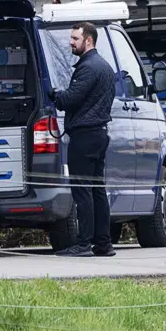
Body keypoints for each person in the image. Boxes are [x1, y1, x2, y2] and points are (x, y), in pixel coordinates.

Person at [50, 21, 115, 257]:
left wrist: (55, 95)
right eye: (71, 38)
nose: (71, 42)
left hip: (85, 136)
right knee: (98, 190)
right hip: (99, 134)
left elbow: (70, 99)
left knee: (82, 190)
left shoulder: (88, 68)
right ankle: (103, 243)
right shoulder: (105, 67)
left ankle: (84, 243)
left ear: (88, 40)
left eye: (75, 39)